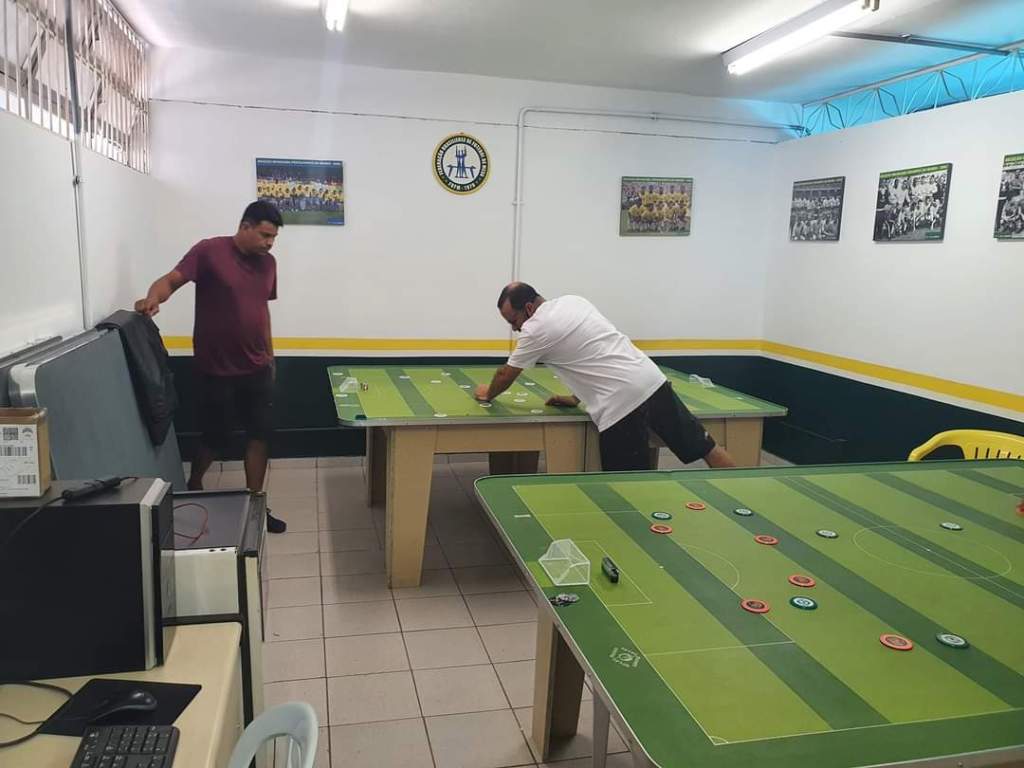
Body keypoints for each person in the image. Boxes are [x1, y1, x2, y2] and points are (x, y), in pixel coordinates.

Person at [134, 200, 288, 533]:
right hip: (215, 370)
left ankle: (256, 506)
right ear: (245, 226)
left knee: (260, 436)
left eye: (274, 237)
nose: (269, 243)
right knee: (215, 438)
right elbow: (170, 281)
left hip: (257, 368)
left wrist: (270, 356)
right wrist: (153, 299)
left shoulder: (269, 264)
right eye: (265, 235)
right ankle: (196, 482)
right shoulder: (209, 252)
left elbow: (261, 311)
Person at [475, 283, 736, 471]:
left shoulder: (535, 329)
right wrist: (575, 398)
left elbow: (506, 374)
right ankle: (743, 497)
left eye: (514, 321)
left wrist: (488, 393)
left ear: (529, 308)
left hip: (620, 405)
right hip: (651, 381)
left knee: (625, 486)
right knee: (706, 448)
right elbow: (596, 351)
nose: (515, 329)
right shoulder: (574, 301)